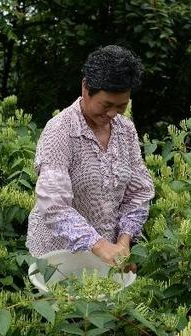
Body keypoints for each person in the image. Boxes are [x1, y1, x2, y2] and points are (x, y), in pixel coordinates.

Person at [26, 45, 155, 266]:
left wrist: (123, 243)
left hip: (109, 255)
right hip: (57, 256)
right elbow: (54, 204)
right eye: (106, 105)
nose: (113, 113)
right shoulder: (61, 130)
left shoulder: (125, 130)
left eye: (121, 106)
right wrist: (100, 245)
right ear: (85, 87)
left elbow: (139, 193)